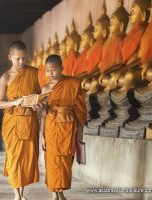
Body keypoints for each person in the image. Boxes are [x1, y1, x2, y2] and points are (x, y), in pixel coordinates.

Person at [0, 40, 42, 200]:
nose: (22, 62)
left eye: (24, 58)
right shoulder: (5, 77)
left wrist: (39, 104)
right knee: (15, 157)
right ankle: (17, 195)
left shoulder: (35, 73)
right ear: (10, 57)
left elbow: (40, 95)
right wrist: (14, 102)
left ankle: (22, 194)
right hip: (13, 121)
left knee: (27, 158)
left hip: (30, 121)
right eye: (18, 59)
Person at [40, 55, 87, 200]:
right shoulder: (45, 88)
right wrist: (42, 135)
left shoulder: (73, 84)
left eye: (53, 70)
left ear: (61, 68)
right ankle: (55, 193)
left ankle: (60, 192)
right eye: (48, 71)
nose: (50, 73)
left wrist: (80, 132)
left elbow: (80, 110)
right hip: (51, 128)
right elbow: (43, 113)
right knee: (52, 161)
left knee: (65, 160)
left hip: (67, 128)